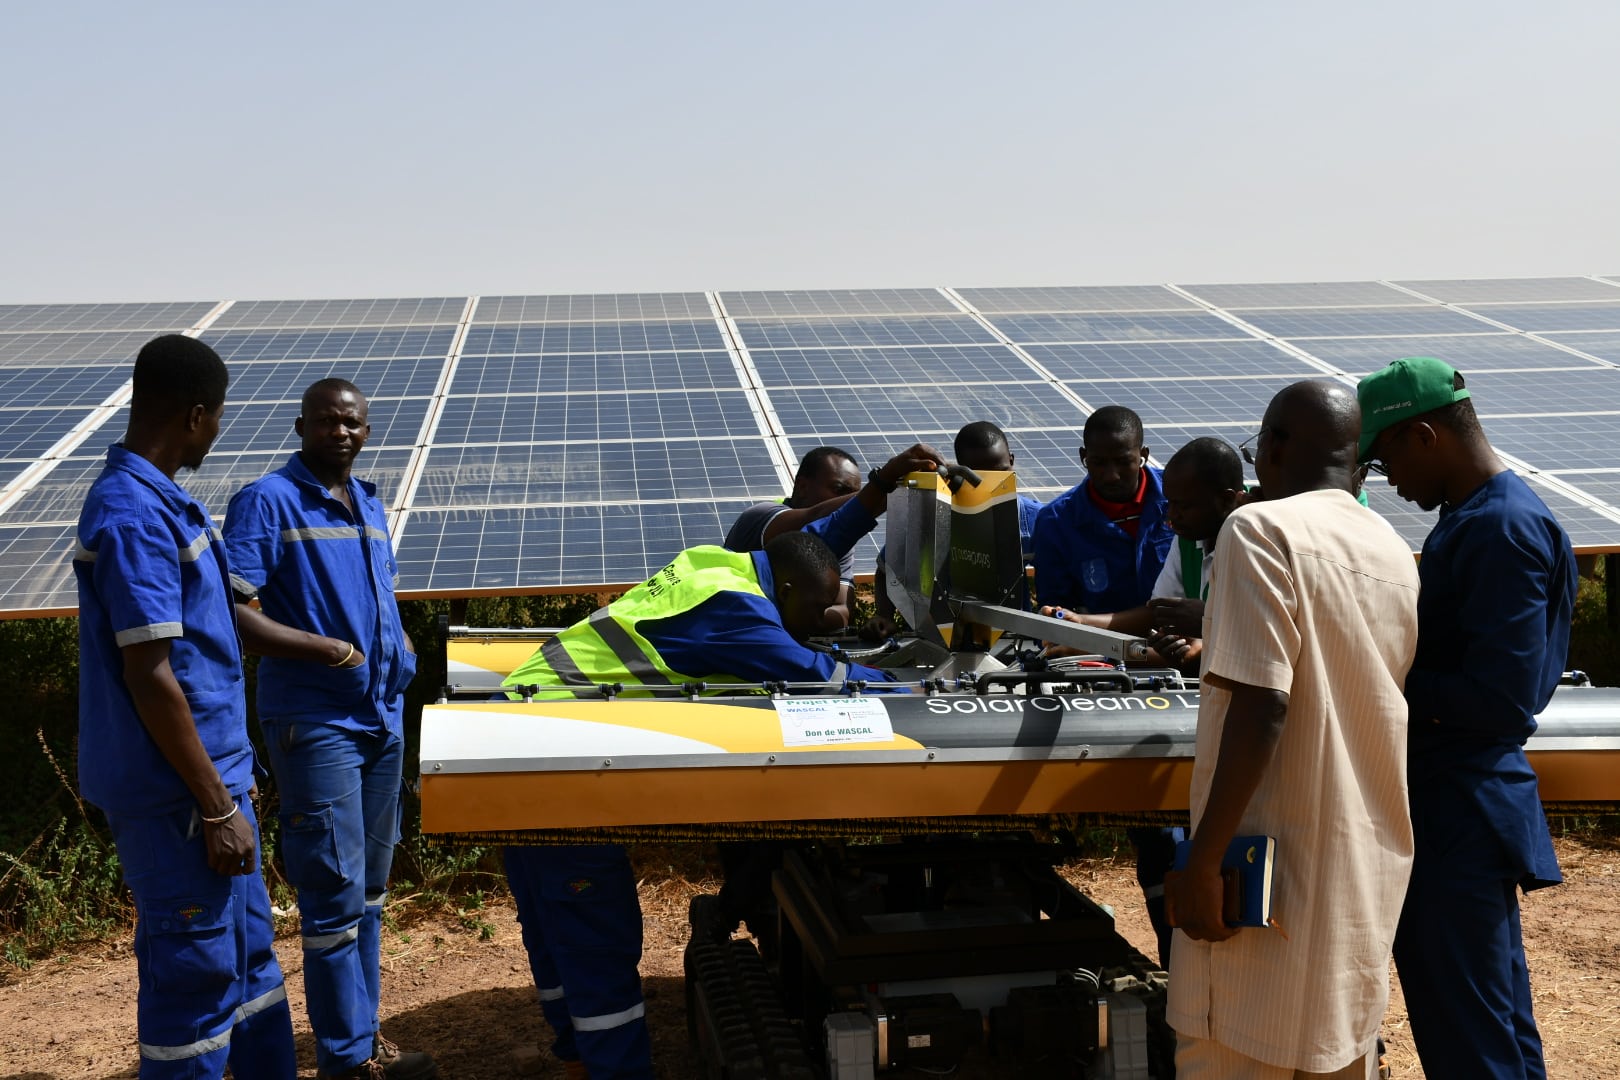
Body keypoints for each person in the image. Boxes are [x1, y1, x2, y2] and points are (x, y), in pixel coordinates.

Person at [500, 532, 898, 1080]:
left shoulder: (722, 567)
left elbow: (813, 547)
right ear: (783, 587)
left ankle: (574, 1053)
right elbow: (824, 678)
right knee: (596, 929)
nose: (821, 619)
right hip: (554, 750)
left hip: (509, 735)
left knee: (551, 915)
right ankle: (617, 1070)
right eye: (814, 606)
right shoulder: (740, 610)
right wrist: (919, 683)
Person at [1163, 380, 1420, 1079]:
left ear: (1273, 446)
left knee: (1237, 1052)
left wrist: (1204, 863)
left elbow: (1261, 705)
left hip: (1262, 887)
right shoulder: (1394, 550)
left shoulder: (1260, 529)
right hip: (1358, 883)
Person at [74, 334, 297, 1078]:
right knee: (196, 980)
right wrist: (212, 805)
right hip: (179, 800)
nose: (219, 429)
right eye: (220, 417)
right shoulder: (133, 516)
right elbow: (151, 675)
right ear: (196, 415)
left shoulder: (165, 503)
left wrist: (231, 785)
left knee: (250, 964)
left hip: (213, 784)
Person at [1358, 357, 1575, 1079]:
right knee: (1491, 1025)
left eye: (1386, 456)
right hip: (1458, 802)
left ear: (1424, 436)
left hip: (1463, 807)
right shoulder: (1480, 518)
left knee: (1471, 1037)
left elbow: (1500, 696)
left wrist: (1375, 672)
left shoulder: (1500, 530)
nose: (1387, 477)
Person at [222, 380, 433, 1080]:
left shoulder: (370, 503)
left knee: (369, 894)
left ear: (366, 430)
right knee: (334, 894)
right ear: (301, 426)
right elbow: (233, 613)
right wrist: (329, 649)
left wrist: (398, 648)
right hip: (316, 723)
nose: (341, 432)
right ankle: (346, 1061)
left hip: (379, 718)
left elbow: (378, 599)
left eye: (352, 422)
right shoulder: (268, 501)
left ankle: (363, 1041)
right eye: (326, 421)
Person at [1040, 436, 1247, 969]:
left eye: (1182, 508)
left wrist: (1209, 639)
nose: (1170, 517)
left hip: (1245, 734)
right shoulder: (1188, 540)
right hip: (1194, 707)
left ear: (1229, 498)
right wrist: (1089, 634)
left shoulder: (1261, 546)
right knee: (1160, 838)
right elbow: (1162, 614)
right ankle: (1180, 962)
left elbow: (1263, 638)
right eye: (1169, 507)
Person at [724, 443, 946, 625]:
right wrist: (885, 483)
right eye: (840, 490)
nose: (852, 500)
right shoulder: (761, 516)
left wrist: (797, 614)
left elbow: (842, 611)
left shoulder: (839, 544)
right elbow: (816, 520)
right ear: (802, 486)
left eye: (856, 494)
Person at [862, 421, 1042, 640]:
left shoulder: (1036, 521)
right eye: (979, 477)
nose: (990, 486)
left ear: (1011, 461)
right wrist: (884, 615)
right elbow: (887, 568)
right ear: (960, 468)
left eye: (1000, 473)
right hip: (937, 641)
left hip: (1011, 644)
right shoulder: (934, 514)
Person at [1030, 405, 1174, 614]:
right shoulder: (1056, 522)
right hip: (1098, 644)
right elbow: (1054, 608)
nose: (1111, 475)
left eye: (1123, 462)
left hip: (1187, 640)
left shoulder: (1180, 496)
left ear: (1143, 454)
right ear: (1083, 456)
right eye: (1098, 463)